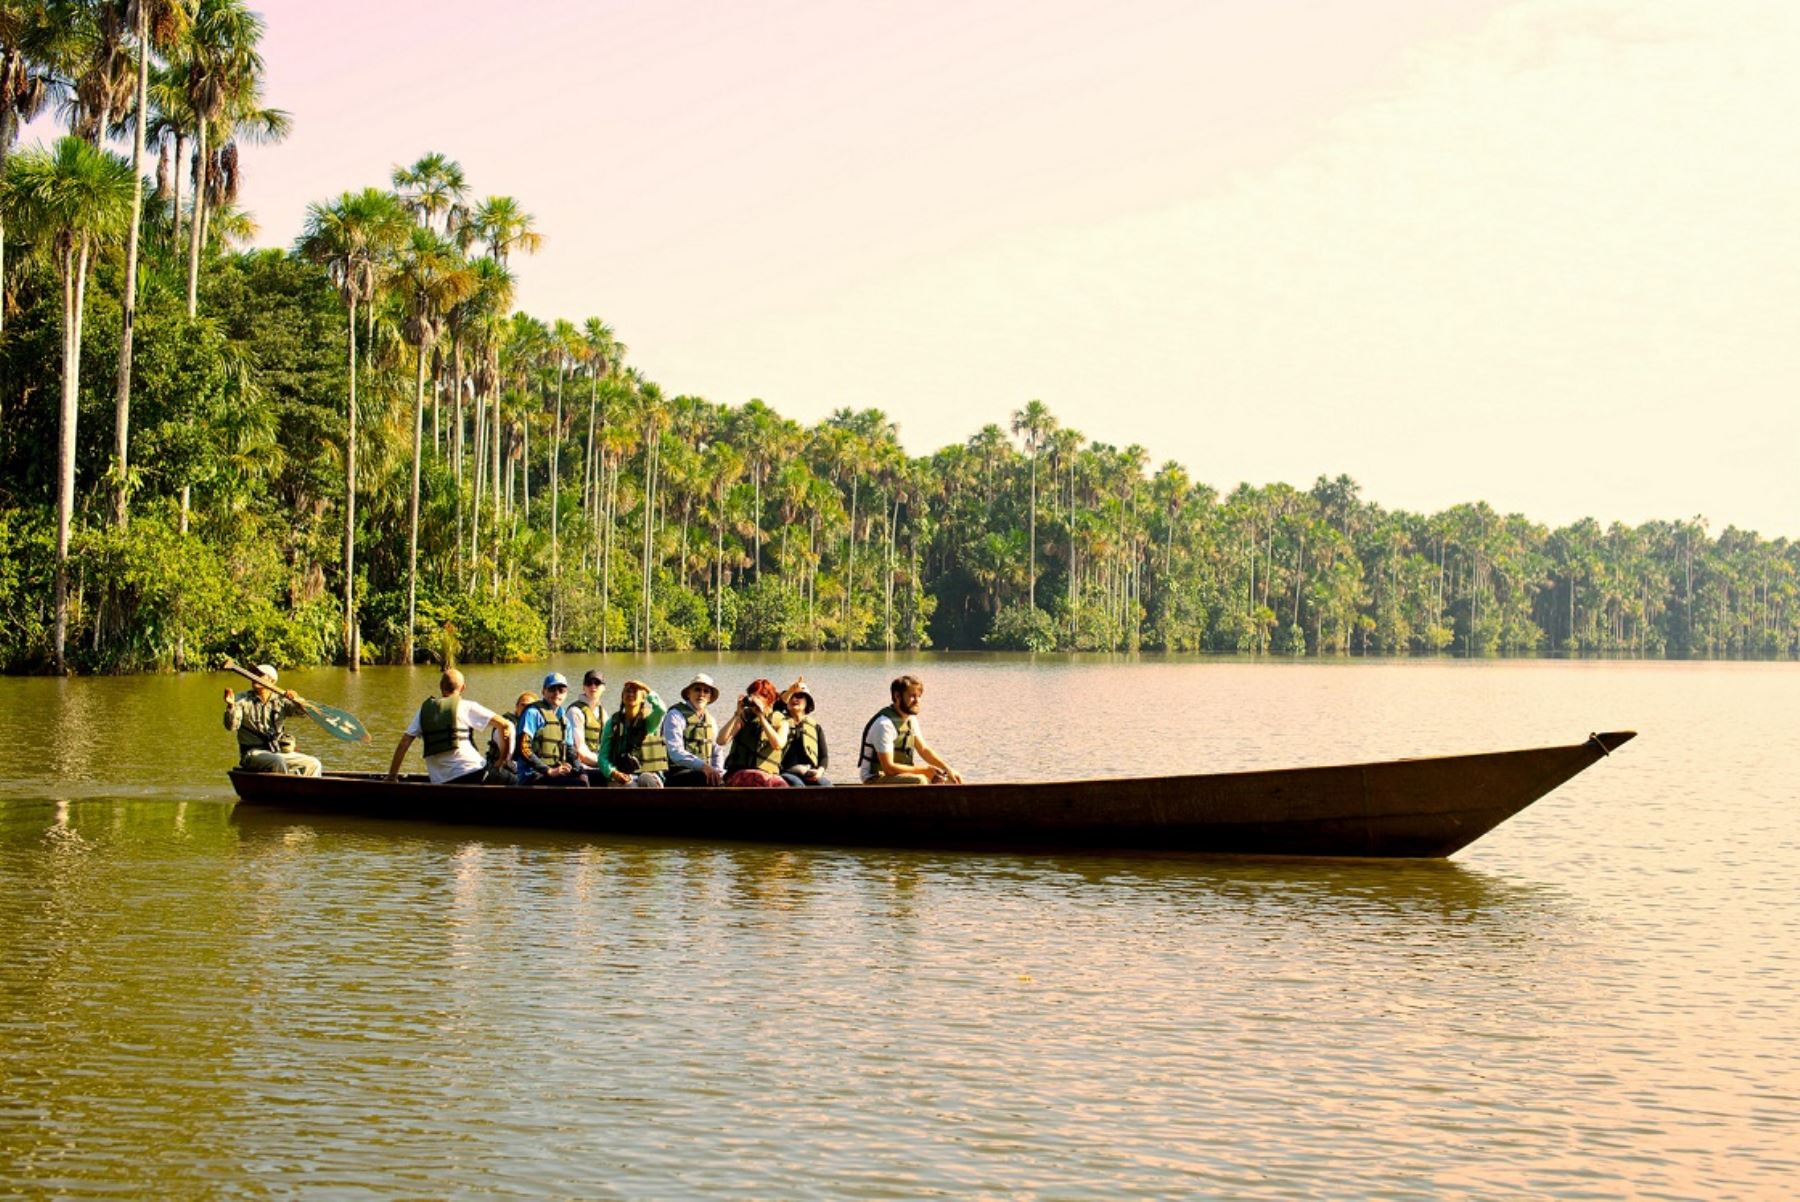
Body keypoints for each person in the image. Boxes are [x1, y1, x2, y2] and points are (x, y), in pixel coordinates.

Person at [387, 668, 513, 784]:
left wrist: (392, 776)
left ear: (441, 686)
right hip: (475, 773)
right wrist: (501, 760)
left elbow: (404, 742)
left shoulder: (424, 710)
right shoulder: (467, 706)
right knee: (516, 781)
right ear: (463, 688)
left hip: (441, 781)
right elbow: (505, 725)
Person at [857, 674, 963, 785]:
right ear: (897, 696)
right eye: (912, 696)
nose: (917, 701)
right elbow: (888, 768)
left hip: (898, 776)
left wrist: (948, 769)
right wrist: (925, 771)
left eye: (919, 696)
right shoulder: (884, 725)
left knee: (951, 780)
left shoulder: (910, 720)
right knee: (920, 780)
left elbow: (924, 750)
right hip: (875, 779)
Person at [223, 663, 322, 776]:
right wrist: (231, 706)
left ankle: (306, 791)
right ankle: (283, 791)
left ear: (272, 681)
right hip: (253, 753)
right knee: (278, 761)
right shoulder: (241, 699)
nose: (254, 676)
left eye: (260, 674)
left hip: (277, 751)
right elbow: (231, 726)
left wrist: (297, 700)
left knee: (314, 763)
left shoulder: (280, 700)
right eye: (254, 673)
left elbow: (303, 713)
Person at [516, 672, 587, 786]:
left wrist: (581, 772)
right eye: (552, 689)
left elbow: (570, 752)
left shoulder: (564, 720)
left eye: (561, 690)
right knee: (577, 785)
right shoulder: (533, 713)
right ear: (543, 691)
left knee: (596, 778)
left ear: (566, 693)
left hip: (555, 772)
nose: (556, 693)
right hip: (533, 775)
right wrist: (548, 771)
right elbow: (523, 748)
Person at [718, 678, 790, 786]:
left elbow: (778, 745)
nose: (754, 700)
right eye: (752, 695)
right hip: (740, 773)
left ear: (769, 700)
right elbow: (721, 741)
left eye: (759, 696)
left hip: (768, 775)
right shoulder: (744, 717)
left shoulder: (781, 721)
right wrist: (737, 714)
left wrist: (761, 717)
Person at [598, 679, 668, 787]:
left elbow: (661, 709)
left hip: (647, 773)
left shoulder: (649, 722)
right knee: (629, 786)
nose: (630, 694)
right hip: (621, 774)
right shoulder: (613, 723)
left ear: (643, 698)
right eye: (627, 691)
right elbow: (603, 757)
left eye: (634, 691)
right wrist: (613, 772)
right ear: (622, 697)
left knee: (646, 779)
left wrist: (646, 688)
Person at [661, 672, 724, 787]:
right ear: (689, 693)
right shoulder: (675, 715)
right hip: (677, 773)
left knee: (727, 779)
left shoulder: (711, 721)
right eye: (697, 690)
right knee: (703, 778)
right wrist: (703, 766)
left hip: (704, 772)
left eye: (706, 691)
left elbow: (717, 751)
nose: (701, 694)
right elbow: (675, 752)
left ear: (710, 697)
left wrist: (717, 772)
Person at [777, 679, 831, 787]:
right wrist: (789, 691)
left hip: (809, 772)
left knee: (826, 785)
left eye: (800, 696)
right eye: (792, 696)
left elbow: (824, 757)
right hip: (785, 772)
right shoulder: (779, 723)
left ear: (807, 702)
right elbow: (777, 707)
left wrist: (819, 772)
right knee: (798, 785)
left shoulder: (815, 727)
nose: (795, 699)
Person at [567, 670, 608, 776]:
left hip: (599, 762)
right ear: (583, 687)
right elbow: (580, 750)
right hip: (581, 766)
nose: (593, 686)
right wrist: (603, 764)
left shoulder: (603, 713)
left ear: (604, 688)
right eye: (589, 683)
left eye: (597, 683)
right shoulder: (575, 711)